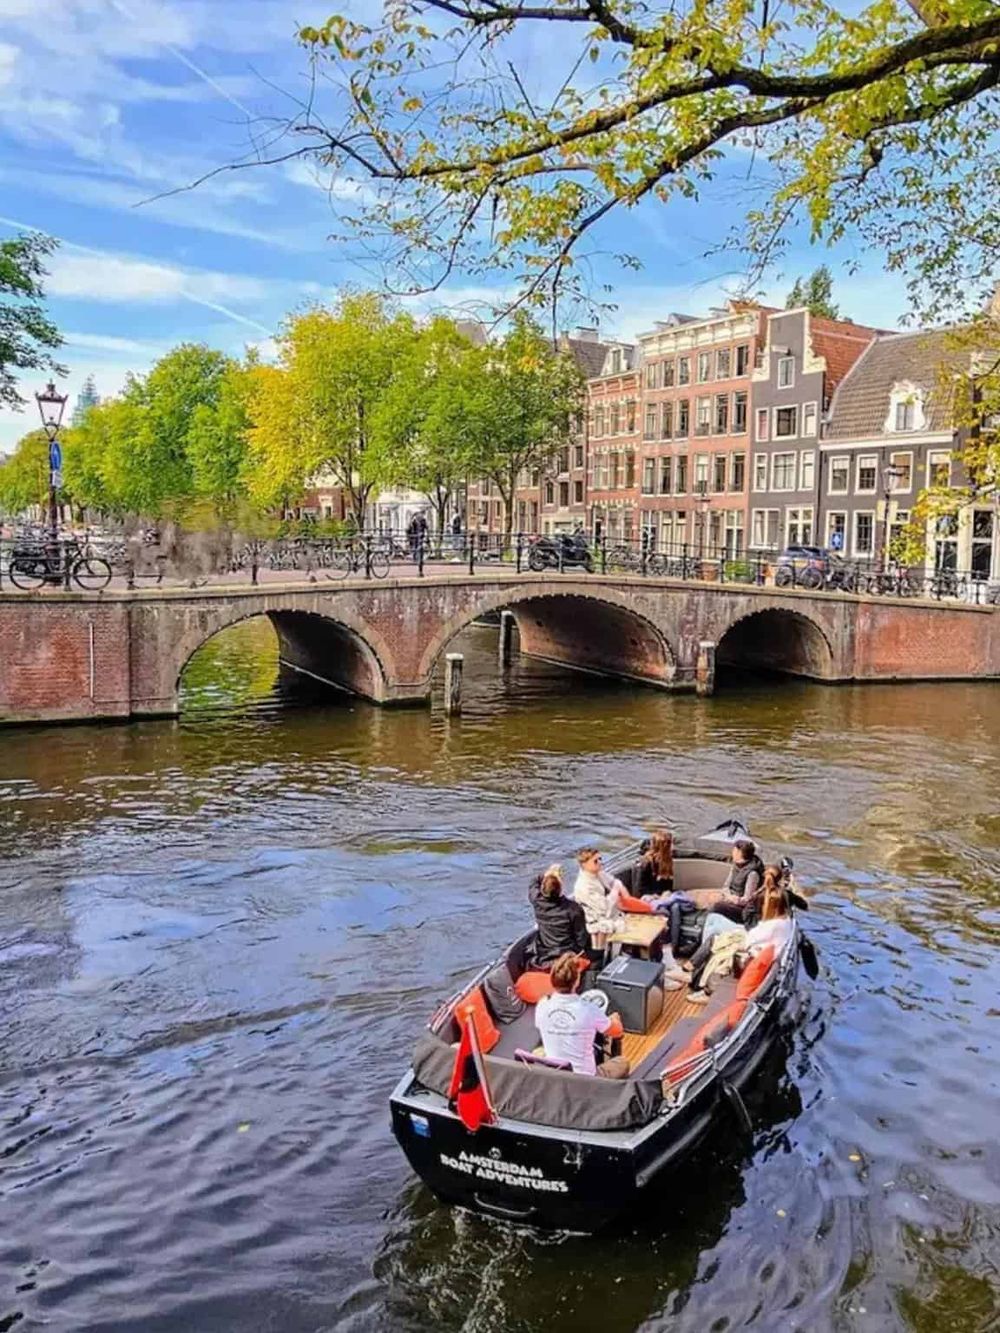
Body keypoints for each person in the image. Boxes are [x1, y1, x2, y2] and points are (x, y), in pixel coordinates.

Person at [687, 872, 792, 1001]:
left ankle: (702, 984)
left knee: (720, 945)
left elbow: (750, 937)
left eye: (765, 904)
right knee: (717, 938)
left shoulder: (772, 925)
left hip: (752, 956)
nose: (763, 906)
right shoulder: (786, 921)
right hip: (757, 950)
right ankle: (694, 974)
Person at [535, 952, 630, 1078]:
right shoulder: (588, 1010)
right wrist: (614, 1019)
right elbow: (617, 1032)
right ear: (576, 981)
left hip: (555, 1075)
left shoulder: (542, 1005)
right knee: (623, 1063)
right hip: (586, 1079)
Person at [529, 864, 589, 965]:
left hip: (545, 954)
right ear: (560, 889)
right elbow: (581, 939)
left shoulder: (537, 901)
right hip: (568, 954)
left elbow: (533, 883)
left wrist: (546, 874)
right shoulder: (573, 909)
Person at [572, 847, 628, 940]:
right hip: (599, 926)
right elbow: (604, 908)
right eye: (595, 861)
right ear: (584, 864)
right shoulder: (584, 887)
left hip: (614, 916)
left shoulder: (599, 873)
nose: (600, 862)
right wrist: (616, 890)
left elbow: (614, 881)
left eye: (600, 859)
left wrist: (620, 888)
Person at [710, 838, 765, 924]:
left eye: (734, 851)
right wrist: (728, 896)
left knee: (716, 907)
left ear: (739, 853)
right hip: (731, 899)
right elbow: (726, 886)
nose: (732, 853)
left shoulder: (753, 874)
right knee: (712, 900)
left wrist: (735, 900)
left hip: (743, 909)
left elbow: (748, 899)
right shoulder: (735, 866)